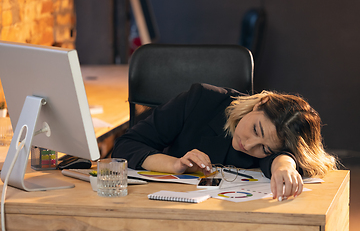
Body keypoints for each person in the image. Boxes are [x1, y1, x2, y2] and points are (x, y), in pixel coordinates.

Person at [112, 83, 338, 201]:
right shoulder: (199, 99)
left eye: (265, 148)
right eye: (255, 129)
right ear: (261, 103)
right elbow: (125, 146)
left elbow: (290, 161)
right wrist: (174, 165)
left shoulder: (273, 147)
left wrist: (284, 164)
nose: (249, 146)